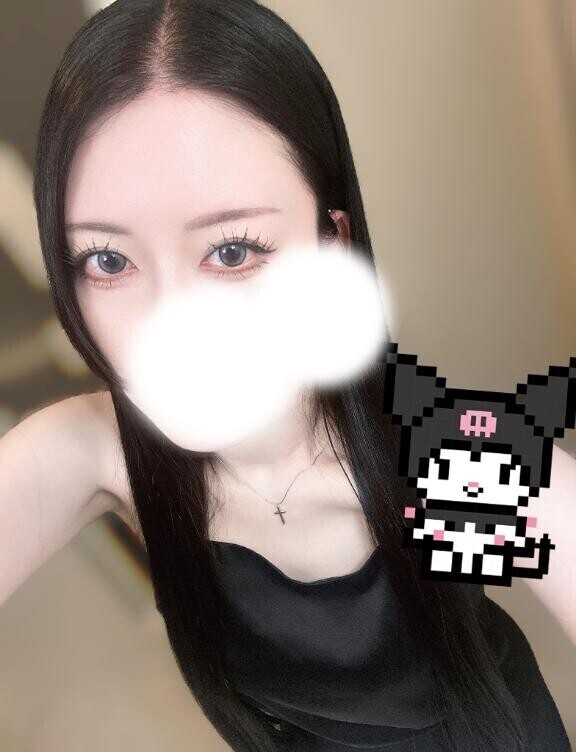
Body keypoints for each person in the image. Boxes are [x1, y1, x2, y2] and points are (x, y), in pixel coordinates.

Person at [6, 0, 570, 749]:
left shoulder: (439, 455)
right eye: (108, 260)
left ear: (329, 245)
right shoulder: (101, 453)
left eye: (232, 251)